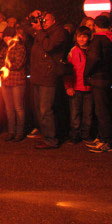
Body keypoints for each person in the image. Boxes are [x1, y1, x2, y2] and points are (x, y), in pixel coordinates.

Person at [22, 11, 68, 149]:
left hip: (48, 77)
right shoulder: (41, 31)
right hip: (37, 76)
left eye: (46, 20)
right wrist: (30, 16)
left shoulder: (59, 32)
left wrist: (40, 31)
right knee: (38, 109)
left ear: (53, 20)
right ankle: (46, 135)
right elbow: (24, 26)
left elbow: (49, 46)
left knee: (45, 110)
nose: (44, 22)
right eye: (42, 20)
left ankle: (51, 140)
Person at [84, 15, 112, 153]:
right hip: (107, 77)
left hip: (98, 78)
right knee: (104, 110)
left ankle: (106, 142)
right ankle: (102, 137)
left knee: (101, 111)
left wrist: (86, 73)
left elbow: (94, 58)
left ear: (96, 26)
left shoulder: (98, 39)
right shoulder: (111, 38)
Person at [64, 26, 93, 144]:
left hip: (89, 87)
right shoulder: (73, 51)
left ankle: (86, 134)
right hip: (76, 86)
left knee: (88, 113)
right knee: (75, 113)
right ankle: (75, 135)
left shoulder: (92, 50)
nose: (82, 39)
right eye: (79, 36)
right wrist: (68, 86)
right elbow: (68, 71)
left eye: (84, 36)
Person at [1, 32, 26, 141]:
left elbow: (19, 63)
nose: (6, 38)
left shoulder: (20, 48)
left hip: (17, 81)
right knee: (8, 108)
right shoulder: (4, 49)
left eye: (8, 35)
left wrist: (7, 65)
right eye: (5, 36)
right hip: (5, 82)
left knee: (18, 108)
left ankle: (20, 133)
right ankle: (11, 132)